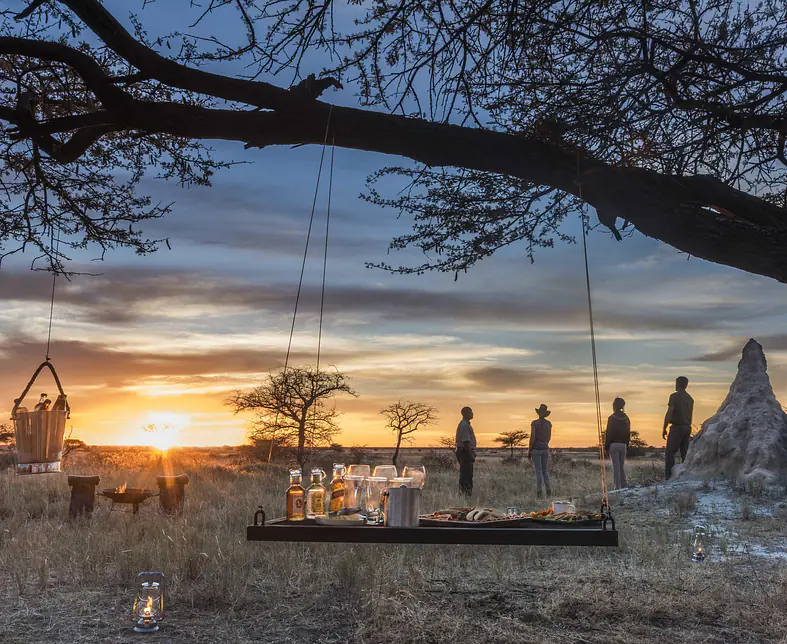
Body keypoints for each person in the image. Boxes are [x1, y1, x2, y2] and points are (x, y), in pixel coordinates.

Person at [663, 376, 694, 480]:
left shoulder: (674, 396)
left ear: (678, 384)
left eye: (676, 383)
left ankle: (668, 477)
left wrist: (664, 427)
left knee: (670, 453)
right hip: (687, 427)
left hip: (677, 427)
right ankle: (685, 476)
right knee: (684, 453)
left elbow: (669, 412)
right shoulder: (690, 398)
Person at [604, 397, 631, 490]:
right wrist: (627, 445)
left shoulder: (611, 418)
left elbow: (609, 433)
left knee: (616, 467)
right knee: (621, 467)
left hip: (614, 445)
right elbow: (628, 433)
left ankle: (617, 487)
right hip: (623, 445)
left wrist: (606, 446)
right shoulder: (626, 418)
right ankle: (624, 485)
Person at [528, 404, 552, 498]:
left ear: (538, 413)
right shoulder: (548, 423)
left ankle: (539, 493)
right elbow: (549, 437)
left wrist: (530, 450)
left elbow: (532, 437)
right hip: (545, 447)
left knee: (538, 471)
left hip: (536, 448)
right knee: (545, 471)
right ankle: (549, 491)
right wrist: (545, 443)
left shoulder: (534, 423)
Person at [455, 406, 476, 496]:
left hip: (465, 452)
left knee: (467, 475)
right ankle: (466, 495)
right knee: (466, 476)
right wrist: (471, 455)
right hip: (465, 452)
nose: (472, 413)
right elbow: (466, 442)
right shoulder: (464, 425)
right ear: (465, 413)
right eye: (470, 412)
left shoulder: (466, 424)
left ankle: (466, 494)